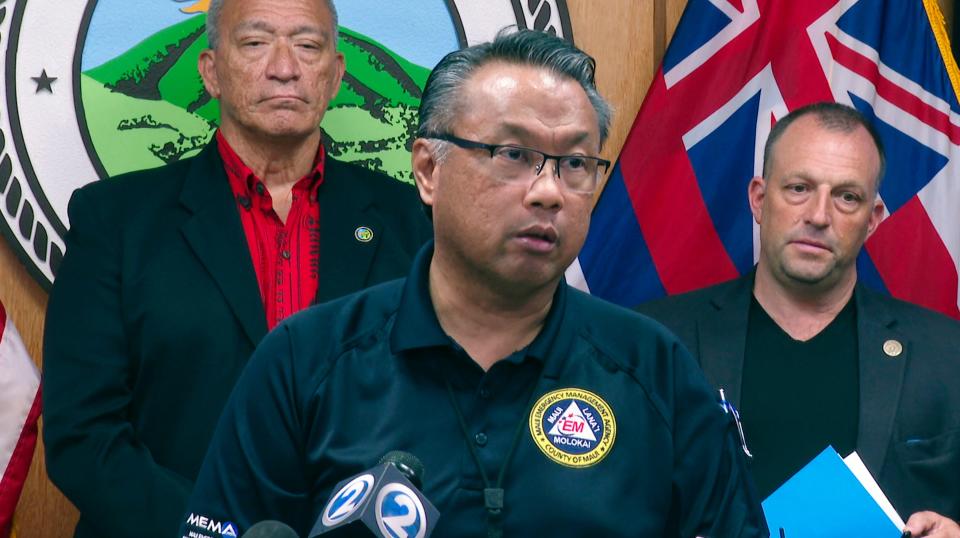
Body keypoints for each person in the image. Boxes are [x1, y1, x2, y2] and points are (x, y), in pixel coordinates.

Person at [179, 29, 768, 538]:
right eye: (513, 154)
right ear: (429, 170)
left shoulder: (655, 370)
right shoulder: (305, 361)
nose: (548, 191)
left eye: (576, 164)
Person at [42, 0, 431, 536]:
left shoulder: (413, 224)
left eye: (308, 45)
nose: (284, 66)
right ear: (210, 71)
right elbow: (83, 436)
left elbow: (439, 407)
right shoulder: (115, 222)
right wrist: (213, 529)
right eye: (254, 43)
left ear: (336, 74)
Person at [638, 102, 960, 537]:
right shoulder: (655, 341)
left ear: (872, 220)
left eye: (847, 196)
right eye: (798, 188)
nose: (819, 216)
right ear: (758, 198)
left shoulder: (947, 354)